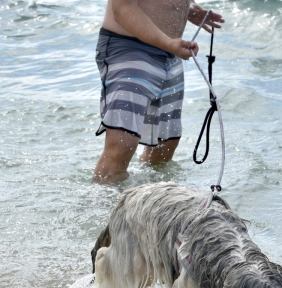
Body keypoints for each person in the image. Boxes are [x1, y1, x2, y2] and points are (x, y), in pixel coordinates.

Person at [93, 0, 224, 183]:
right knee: (122, 145)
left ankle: (149, 206)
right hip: (129, 48)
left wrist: (189, 7)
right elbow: (122, 8)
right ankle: (103, 208)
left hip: (170, 52)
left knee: (165, 145)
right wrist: (168, 43)